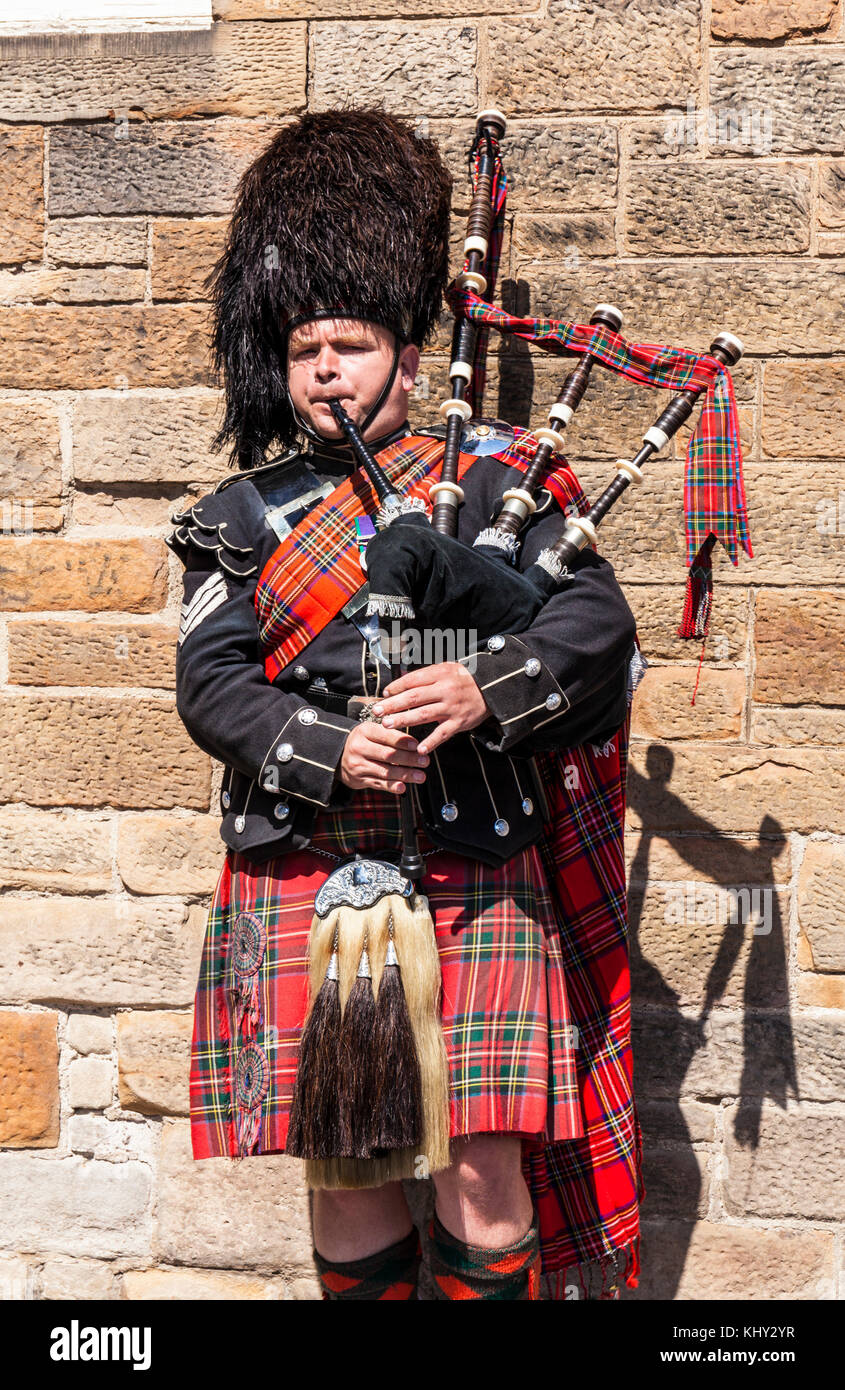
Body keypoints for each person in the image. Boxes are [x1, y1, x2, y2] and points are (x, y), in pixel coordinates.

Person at [167, 108, 643, 1301]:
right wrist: (330, 746)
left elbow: (595, 628)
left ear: (408, 357)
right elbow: (211, 684)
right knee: (343, 1161)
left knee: (481, 1166)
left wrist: (479, 686)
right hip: (306, 863)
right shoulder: (239, 515)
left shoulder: (498, 480)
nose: (324, 370)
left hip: (471, 855)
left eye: (352, 344)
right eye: (302, 350)